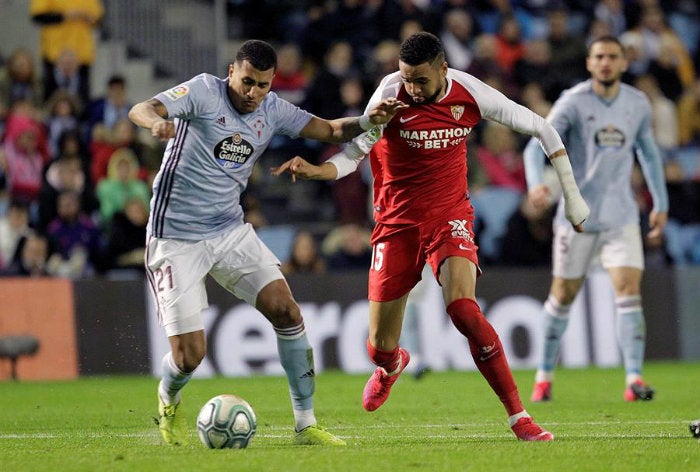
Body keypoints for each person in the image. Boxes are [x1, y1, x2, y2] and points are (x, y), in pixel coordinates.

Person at [272, 32, 589, 441]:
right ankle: (391, 365)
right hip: (396, 223)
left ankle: (519, 416)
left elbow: (543, 129)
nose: (411, 88)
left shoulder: (471, 93)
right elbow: (354, 155)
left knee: (463, 309)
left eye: (419, 80)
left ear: (443, 69)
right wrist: (319, 171)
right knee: (378, 346)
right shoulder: (389, 94)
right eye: (406, 78)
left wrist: (572, 196)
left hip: (450, 215)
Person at [128, 39, 405, 447]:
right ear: (231, 72)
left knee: (287, 311)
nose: (253, 93)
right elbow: (143, 107)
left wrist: (369, 120)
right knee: (190, 356)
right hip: (175, 237)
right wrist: (154, 123)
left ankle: (306, 424)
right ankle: (168, 396)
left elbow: (329, 129)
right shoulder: (203, 91)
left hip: (229, 229)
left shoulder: (273, 109)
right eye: (246, 82)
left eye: (262, 85)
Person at [522, 35, 668, 403]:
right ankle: (543, 375)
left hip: (621, 216)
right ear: (589, 63)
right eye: (599, 56)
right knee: (563, 296)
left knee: (628, 291)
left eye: (612, 57)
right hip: (577, 217)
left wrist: (660, 202)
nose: (605, 62)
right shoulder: (573, 101)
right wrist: (536, 183)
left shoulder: (637, 104)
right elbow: (533, 144)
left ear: (623, 63)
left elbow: (649, 155)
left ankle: (634, 378)